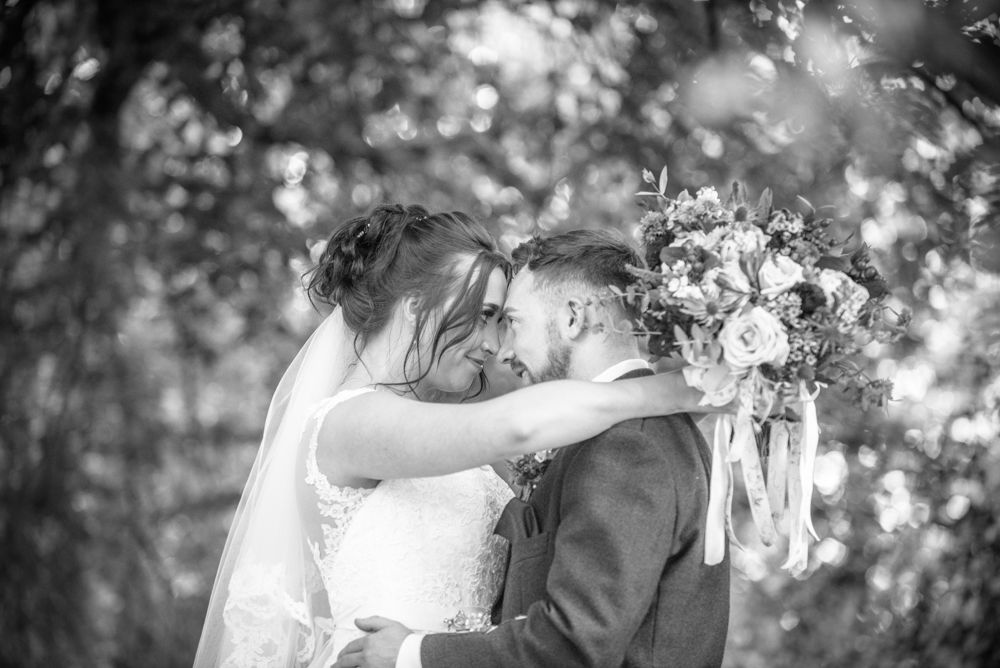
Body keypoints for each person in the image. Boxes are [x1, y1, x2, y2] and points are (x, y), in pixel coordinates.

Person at [193, 205, 715, 668]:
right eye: (486, 316)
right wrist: (692, 387)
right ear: (418, 303)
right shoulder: (351, 422)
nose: (493, 344)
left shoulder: (432, 434)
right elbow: (517, 426)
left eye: (504, 321)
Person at [334, 230, 731, 668]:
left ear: (573, 318)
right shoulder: (616, 433)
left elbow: (575, 643)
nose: (500, 351)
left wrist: (413, 652)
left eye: (512, 321)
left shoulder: (628, 443)